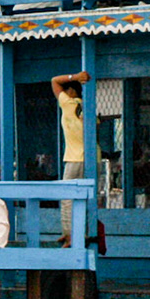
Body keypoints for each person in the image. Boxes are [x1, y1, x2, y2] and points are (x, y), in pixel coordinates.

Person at [50, 69, 91, 246]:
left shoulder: (69, 103)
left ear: (71, 91)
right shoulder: (88, 108)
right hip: (91, 158)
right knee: (87, 197)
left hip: (74, 158)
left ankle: (69, 234)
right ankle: (84, 233)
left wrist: (75, 78)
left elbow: (54, 80)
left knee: (67, 198)